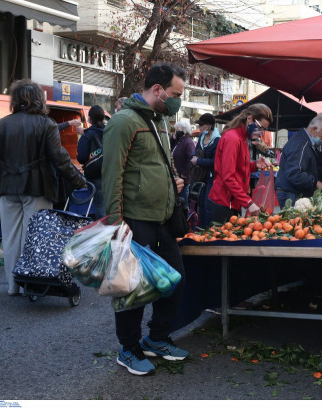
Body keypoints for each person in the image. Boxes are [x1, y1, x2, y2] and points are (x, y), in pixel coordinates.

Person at [102, 62, 188, 376]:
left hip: (163, 218)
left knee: (174, 280)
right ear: (157, 90)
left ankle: (158, 338)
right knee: (133, 289)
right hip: (134, 220)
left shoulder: (161, 121)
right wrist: (117, 223)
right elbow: (113, 176)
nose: (178, 99)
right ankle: (129, 348)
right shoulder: (124, 122)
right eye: (175, 93)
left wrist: (173, 180)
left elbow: (158, 165)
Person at [0, 79, 86, 296]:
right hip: (37, 186)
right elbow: (59, 158)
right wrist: (78, 181)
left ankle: (13, 286)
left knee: (10, 237)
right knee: (34, 236)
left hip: (7, 187)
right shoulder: (46, 124)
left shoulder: (2, 124)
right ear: (38, 100)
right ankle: (29, 284)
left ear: (15, 99)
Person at [207, 103, 273, 223]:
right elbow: (228, 176)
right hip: (223, 202)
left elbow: (237, 167)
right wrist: (248, 202)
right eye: (260, 127)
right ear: (249, 119)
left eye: (264, 129)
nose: (262, 132)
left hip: (232, 202)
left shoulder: (242, 137)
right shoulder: (233, 138)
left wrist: (254, 165)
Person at [275, 113, 322, 206]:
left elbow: (320, 160)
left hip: (293, 191)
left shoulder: (307, 142)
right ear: (314, 129)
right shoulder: (301, 144)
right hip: (290, 193)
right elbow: (294, 174)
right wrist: (315, 183)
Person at [190, 113, 220, 228]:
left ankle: (206, 231)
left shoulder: (217, 140)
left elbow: (216, 162)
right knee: (200, 203)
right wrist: (193, 157)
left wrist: (198, 161)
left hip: (211, 177)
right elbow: (196, 151)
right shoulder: (202, 137)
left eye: (201, 125)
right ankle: (199, 228)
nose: (199, 127)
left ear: (208, 126)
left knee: (207, 205)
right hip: (200, 176)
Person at [76, 105, 106, 219]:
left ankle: (102, 234)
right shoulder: (109, 131)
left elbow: (82, 158)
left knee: (99, 206)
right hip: (111, 172)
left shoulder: (87, 135)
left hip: (95, 174)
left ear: (90, 119)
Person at [171, 119, 194, 206]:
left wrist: (184, 174)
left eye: (178, 130)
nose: (176, 132)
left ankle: (185, 218)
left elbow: (190, 159)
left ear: (184, 130)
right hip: (176, 176)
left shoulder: (188, 142)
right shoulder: (178, 141)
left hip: (182, 178)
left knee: (183, 202)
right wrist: (173, 139)